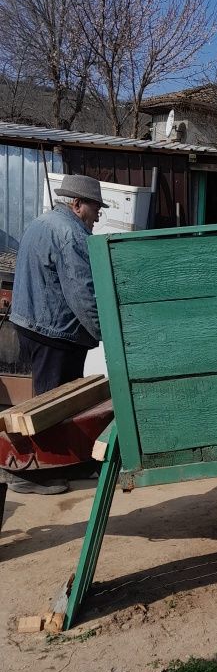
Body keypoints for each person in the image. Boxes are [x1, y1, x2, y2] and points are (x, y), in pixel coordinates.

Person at [6, 174, 107, 494]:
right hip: (54, 330)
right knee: (50, 406)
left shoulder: (42, 222)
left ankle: (66, 464)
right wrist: (107, 333)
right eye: (95, 207)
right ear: (77, 205)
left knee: (57, 402)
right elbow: (83, 293)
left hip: (34, 323)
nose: (98, 214)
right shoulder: (70, 234)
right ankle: (29, 474)